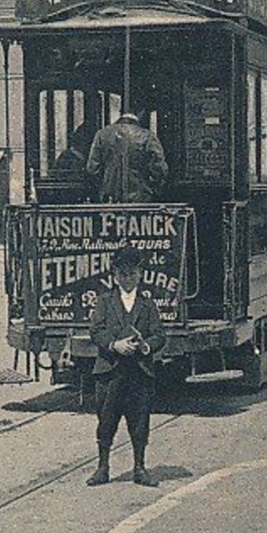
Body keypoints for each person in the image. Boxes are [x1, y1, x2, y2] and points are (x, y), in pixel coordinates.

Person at [86, 244, 166, 487]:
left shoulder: (147, 305)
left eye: (132, 274)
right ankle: (103, 467)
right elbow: (95, 331)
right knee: (106, 420)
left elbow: (159, 335)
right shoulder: (104, 301)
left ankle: (139, 468)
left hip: (139, 373)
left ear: (140, 275)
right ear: (115, 275)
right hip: (110, 372)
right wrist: (114, 345)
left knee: (139, 420)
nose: (127, 279)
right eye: (122, 274)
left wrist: (145, 347)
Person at [87, 110, 168, 203]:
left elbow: (92, 169)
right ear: (140, 115)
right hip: (141, 198)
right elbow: (159, 169)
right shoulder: (148, 136)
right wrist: (153, 190)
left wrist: (103, 187)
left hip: (109, 198)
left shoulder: (102, 135)